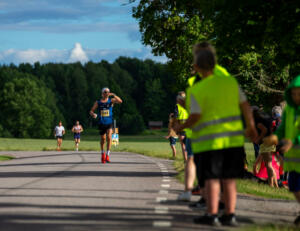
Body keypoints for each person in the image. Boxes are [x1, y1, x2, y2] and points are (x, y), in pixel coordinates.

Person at [175, 43, 257, 226]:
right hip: (232, 139)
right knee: (229, 179)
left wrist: (181, 126)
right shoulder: (230, 82)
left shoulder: (197, 89)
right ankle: (230, 214)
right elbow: (245, 105)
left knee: (211, 178)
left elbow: (195, 116)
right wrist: (251, 126)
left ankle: (211, 214)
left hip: (209, 141)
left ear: (196, 67)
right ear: (215, 63)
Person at [264, 75, 300, 226]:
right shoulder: (289, 111)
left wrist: (293, 141)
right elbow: (282, 128)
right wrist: (275, 138)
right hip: (293, 159)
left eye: (299, 93)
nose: (296, 96)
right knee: (293, 187)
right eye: (293, 93)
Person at [90, 87, 122, 164]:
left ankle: (107, 155)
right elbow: (91, 111)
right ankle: (102, 153)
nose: (107, 93)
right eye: (105, 92)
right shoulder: (98, 102)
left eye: (108, 92)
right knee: (103, 139)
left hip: (109, 122)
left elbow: (120, 101)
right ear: (102, 93)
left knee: (109, 137)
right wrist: (93, 114)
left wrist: (114, 94)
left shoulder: (111, 101)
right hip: (101, 122)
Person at [253, 107, 278, 187]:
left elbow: (264, 130)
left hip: (265, 143)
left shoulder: (258, 122)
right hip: (271, 141)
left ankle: (271, 184)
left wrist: (258, 139)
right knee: (269, 165)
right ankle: (275, 184)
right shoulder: (265, 118)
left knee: (268, 165)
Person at [174, 92, 188, 162]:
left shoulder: (177, 106)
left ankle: (186, 160)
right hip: (189, 127)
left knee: (183, 145)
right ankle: (188, 160)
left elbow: (176, 118)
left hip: (182, 127)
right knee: (188, 144)